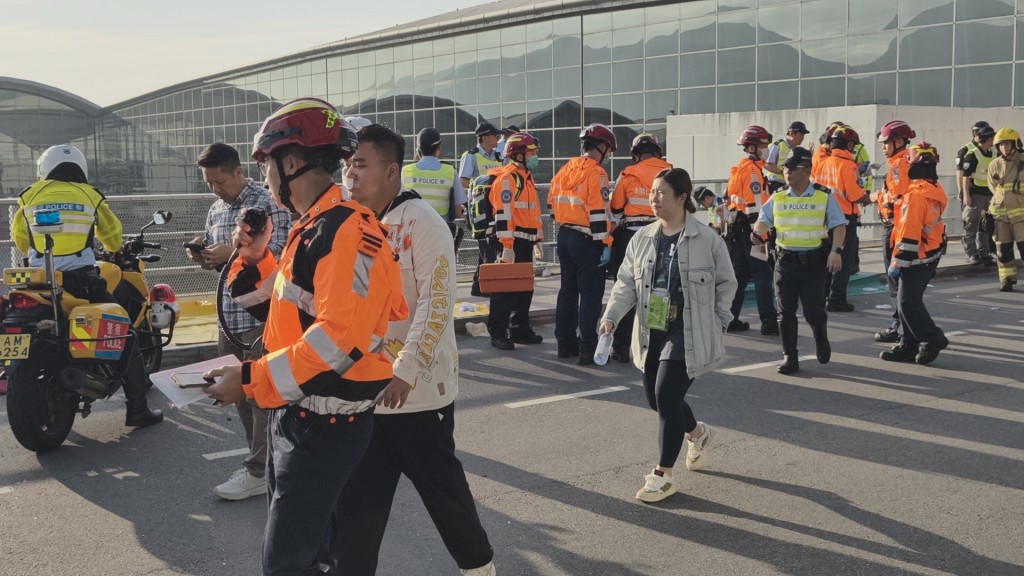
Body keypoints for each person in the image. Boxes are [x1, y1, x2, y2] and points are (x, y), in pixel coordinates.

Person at [202, 98, 407, 576]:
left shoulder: (348, 232)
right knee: (309, 557)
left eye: (268, 166)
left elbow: (338, 340)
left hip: (324, 424)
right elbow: (290, 312)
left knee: (287, 563)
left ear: (290, 162)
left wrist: (249, 379)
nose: (267, 178)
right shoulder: (313, 227)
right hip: (298, 415)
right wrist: (255, 262)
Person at [333, 124, 496, 576]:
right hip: (367, 393)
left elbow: (437, 302)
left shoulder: (424, 224)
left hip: (418, 393)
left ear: (390, 170)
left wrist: (406, 369)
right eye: (348, 165)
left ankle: (480, 567)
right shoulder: (354, 223)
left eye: (361, 165)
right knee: (357, 508)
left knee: (445, 495)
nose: (351, 174)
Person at [599, 167, 736, 503]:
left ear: (681, 197)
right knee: (657, 400)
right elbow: (626, 284)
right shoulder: (642, 238)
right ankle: (698, 433)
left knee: (666, 393)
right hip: (652, 326)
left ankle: (663, 475)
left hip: (688, 327)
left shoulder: (707, 240)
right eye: (653, 192)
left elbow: (726, 283)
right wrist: (611, 317)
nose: (654, 198)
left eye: (661, 192)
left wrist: (719, 320)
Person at [11, 144, 162, 428]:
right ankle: (137, 408)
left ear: (44, 169)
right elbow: (113, 238)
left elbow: (20, 239)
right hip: (80, 280)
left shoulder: (28, 197)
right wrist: (110, 247)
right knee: (125, 333)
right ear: (81, 168)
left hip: (38, 280)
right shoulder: (89, 196)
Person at [189, 142, 291, 500]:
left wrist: (230, 252)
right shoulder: (217, 210)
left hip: (261, 315)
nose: (215, 189)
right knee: (240, 394)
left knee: (262, 392)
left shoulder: (268, 203)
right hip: (227, 317)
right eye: (208, 183)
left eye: (219, 181)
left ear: (237, 172)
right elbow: (223, 267)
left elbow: (278, 254)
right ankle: (259, 461)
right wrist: (206, 257)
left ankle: (259, 469)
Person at [753, 147, 847, 374]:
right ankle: (790, 357)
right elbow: (762, 220)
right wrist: (757, 232)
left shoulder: (824, 195)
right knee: (785, 313)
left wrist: (836, 251)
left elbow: (839, 225)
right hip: (785, 262)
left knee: (813, 312)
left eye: (792, 168)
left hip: (813, 264)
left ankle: (820, 336)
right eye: (785, 168)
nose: (787, 172)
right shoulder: (778, 196)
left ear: (807, 170)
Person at [548, 123, 616, 364]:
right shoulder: (597, 173)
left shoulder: (566, 168)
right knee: (590, 295)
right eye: (608, 149)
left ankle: (565, 345)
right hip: (587, 240)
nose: (608, 154)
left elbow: (551, 205)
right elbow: (599, 213)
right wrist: (607, 243)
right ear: (600, 146)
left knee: (567, 291)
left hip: (564, 236)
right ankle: (588, 348)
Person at [880, 142, 948, 365]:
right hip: (930, 254)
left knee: (907, 302)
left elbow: (909, 235)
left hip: (917, 258)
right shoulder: (934, 189)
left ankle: (932, 338)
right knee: (904, 302)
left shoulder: (916, 196)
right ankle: (907, 344)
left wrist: (897, 264)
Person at [607, 134, 672, 362]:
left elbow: (615, 208)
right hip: (663, 236)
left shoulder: (627, 174)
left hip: (631, 238)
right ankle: (656, 346)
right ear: (658, 152)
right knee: (660, 292)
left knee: (626, 290)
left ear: (636, 154)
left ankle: (621, 347)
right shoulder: (670, 174)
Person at [487, 131, 545, 351]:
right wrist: (506, 247)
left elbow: (533, 212)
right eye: (531, 153)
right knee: (504, 290)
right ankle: (498, 332)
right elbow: (503, 215)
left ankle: (520, 329)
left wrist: (538, 239)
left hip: (525, 240)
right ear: (518, 154)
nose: (535, 156)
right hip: (510, 242)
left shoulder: (526, 179)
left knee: (524, 288)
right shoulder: (507, 180)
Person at [725, 125, 778, 335]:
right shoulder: (753, 172)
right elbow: (756, 209)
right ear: (752, 147)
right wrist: (762, 237)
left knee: (739, 277)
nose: (767, 149)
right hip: (753, 232)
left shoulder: (740, 168)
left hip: (739, 231)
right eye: (763, 145)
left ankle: (730, 318)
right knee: (763, 277)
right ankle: (769, 321)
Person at [872, 121, 915, 344]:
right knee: (900, 281)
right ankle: (903, 325)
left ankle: (899, 326)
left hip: (894, 228)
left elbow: (898, 197)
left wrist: (876, 197)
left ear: (899, 142)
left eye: (886, 143)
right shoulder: (908, 161)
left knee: (894, 280)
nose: (883, 147)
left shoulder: (899, 165)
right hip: (901, 227)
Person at [816, 125, 866, 312]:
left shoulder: (824, 163)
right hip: (844, 218)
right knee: (842, 260)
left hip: (823, 217)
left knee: (827, 258)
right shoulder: (849, 165)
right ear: (850, 144)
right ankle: (836, 299)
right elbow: (854, 195)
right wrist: (868, 196)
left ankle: (823, 294)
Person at [462, 122, 505, 297]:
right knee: (487, 246)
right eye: (495, 136)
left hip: (494, 207)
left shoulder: (498, 157)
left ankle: (478, 286)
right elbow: (463, 181)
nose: (498, 139)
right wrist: (483, 185)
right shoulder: (471, 156)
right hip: (479, 208)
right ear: (485, 137)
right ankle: (489, 288)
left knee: (488, 246)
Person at [401, 127, 467, 223]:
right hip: (441, 232)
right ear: (439, 147)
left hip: (412, 232)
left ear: (418, 149)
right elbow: (457, 212)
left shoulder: (405, 171)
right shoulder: (450, 171)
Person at [986, 127, 1024, 292]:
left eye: (1007, 144)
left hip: (1021, 216)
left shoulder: (1022, 162)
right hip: (1001, 216)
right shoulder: (994, 165)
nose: (1004, 148)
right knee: (1003, 251)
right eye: (1001, 145)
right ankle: (1007, 279)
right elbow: (993, 188)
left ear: (1016, 143)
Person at [958, 124, 998, 266]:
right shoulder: (972, 154)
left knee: (985, 226)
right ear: (988, 139)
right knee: (971, 225)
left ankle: (984, 252)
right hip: (975, 195)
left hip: (989, 195)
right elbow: (965, 176)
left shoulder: (993, 153)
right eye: (992, 137)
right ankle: (972, 254)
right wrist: (966, 196)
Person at [763, 121, 809, 194]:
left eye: (803, 135)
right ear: (791, 134)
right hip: (775, 184)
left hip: (788, 183)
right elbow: (766, 165)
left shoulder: (795, 149)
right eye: (801, 135)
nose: (803, 138)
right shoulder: (777, 145)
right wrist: (783, 172)